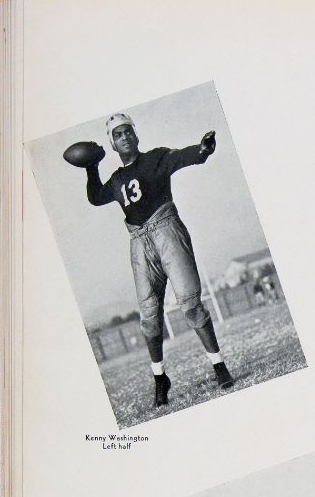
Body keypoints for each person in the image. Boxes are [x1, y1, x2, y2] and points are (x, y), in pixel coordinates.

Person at [84, 112, 233, 407]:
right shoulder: (116, 180)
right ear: (112, 144)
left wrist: (203, 149)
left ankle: (219, 366)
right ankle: (160, 378)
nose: (124, 137)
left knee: (190, 304)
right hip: (138, 243)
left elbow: (186, 157)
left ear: (136, 135)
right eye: (118, 134)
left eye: (128, 132)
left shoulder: (156, 158)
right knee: (149, 319)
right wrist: (91, 167)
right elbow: (96, 197)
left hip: (167, 231)